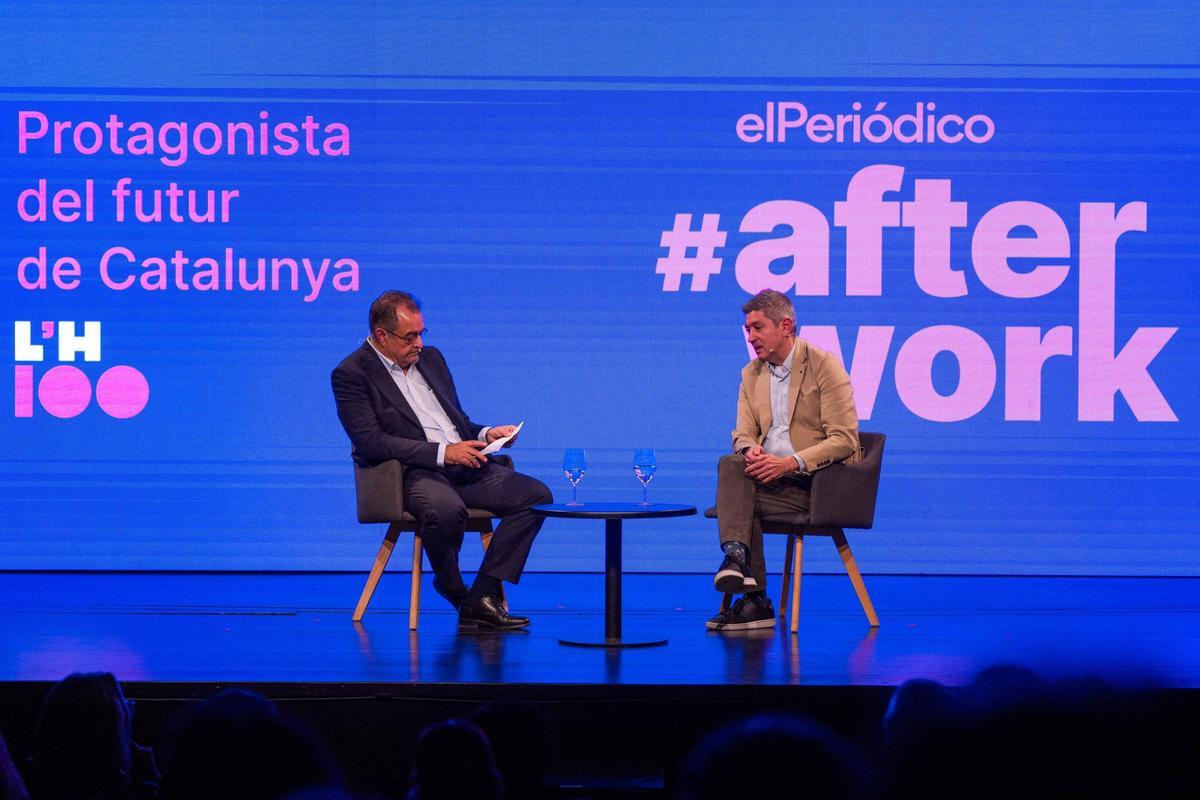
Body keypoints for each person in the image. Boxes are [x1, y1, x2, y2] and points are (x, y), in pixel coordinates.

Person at [332, 290, 552, 630]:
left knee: (536, 496)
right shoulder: (351, 373)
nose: (419, 344)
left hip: (463, 463)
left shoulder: (431, 359)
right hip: (412, 472)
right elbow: (371, 442)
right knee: (445, 509)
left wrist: (486, 434)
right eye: (410, 337)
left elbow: (457, 422)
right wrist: (442, 453)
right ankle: (450, 584)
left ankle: (481, 593)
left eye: (422, 333)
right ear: (381, 336)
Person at [707, 289, 860, 631]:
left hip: (812, 482)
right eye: (747, 329)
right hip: (766, 478)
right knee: (733, 464)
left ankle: (752, 591)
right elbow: (742, 434)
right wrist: (751, 450)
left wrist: (790, 462)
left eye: (758, 328)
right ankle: (739, 563)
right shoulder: (751, 374)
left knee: (737, 492)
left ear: (786, 326)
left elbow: (844, 439)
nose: (751, 336)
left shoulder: (824, 366)